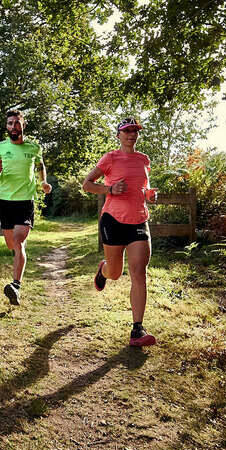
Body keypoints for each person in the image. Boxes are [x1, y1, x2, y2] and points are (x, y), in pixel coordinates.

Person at [82, 118, 159, 347]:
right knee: (115, 273)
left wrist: (149, 194)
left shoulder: (144, 159)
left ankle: (137, 329)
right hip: (113, 220)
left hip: (139, 221)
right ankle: (103, 270)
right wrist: (110, 189)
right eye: (127, 131)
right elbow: (87, 184)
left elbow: (143, 187)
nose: (132, 134)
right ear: (118, 135)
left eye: (135, 131)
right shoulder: (110, 158)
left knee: (139, 272)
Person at [0, 110, 51, 305]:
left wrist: (43, 182)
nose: (13, 126)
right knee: (11, 244)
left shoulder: (34, 147)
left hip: (25, 200)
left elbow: (40, 166)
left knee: (18, 242)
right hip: (5, 200)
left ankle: (15, 286)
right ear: (6, 126)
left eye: (17, 123)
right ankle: (17, 259)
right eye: (10, 123)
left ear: (23, 125)